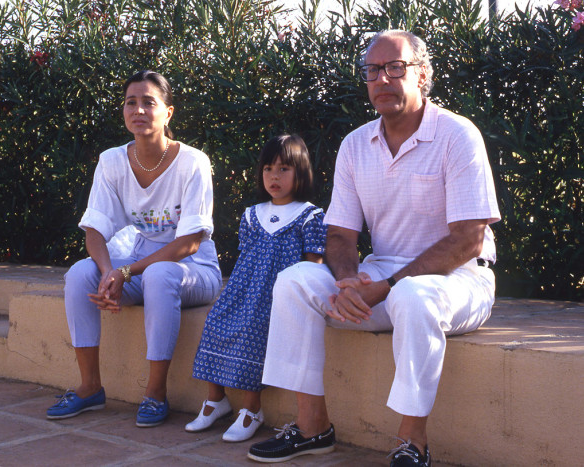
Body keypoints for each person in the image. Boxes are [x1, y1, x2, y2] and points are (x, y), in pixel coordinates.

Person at [248, 30, 501, 466]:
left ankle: (412, 442)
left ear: (422, 75)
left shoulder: (458, 136)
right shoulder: (355, 145)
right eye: (372, 70)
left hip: (458, 280)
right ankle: (312, 428)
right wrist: (347, 281)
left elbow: (467, 240)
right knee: (293, 281)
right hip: (379, 282)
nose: (382, 78)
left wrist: (384, 286)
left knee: (412, 294)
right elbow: (341, 236)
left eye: (395, 67)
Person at [46, 70, 222, 428]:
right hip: (139, 265)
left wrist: (126, 272)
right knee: (82, 272)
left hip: (194, 268)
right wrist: (110, 270)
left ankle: (155, 394)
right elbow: (95, 230)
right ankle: (90, 387)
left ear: (168, 113)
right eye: (131, 102)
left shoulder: (193, 163)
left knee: (158, 275)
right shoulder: (111, 161)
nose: (138, 109)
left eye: (148, 102)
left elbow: (189, 242)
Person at [186, 134, 327, 442]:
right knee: (215, 322)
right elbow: (246, 259)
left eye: (284, 169)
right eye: (268, 169)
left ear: (301, 173)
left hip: (278, 296)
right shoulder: (252, 214)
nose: (274, 176)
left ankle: (252, 409)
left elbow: (314, 266)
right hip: (243, 289)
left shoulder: (310, 216)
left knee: (253, 330)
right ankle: (215, 401)